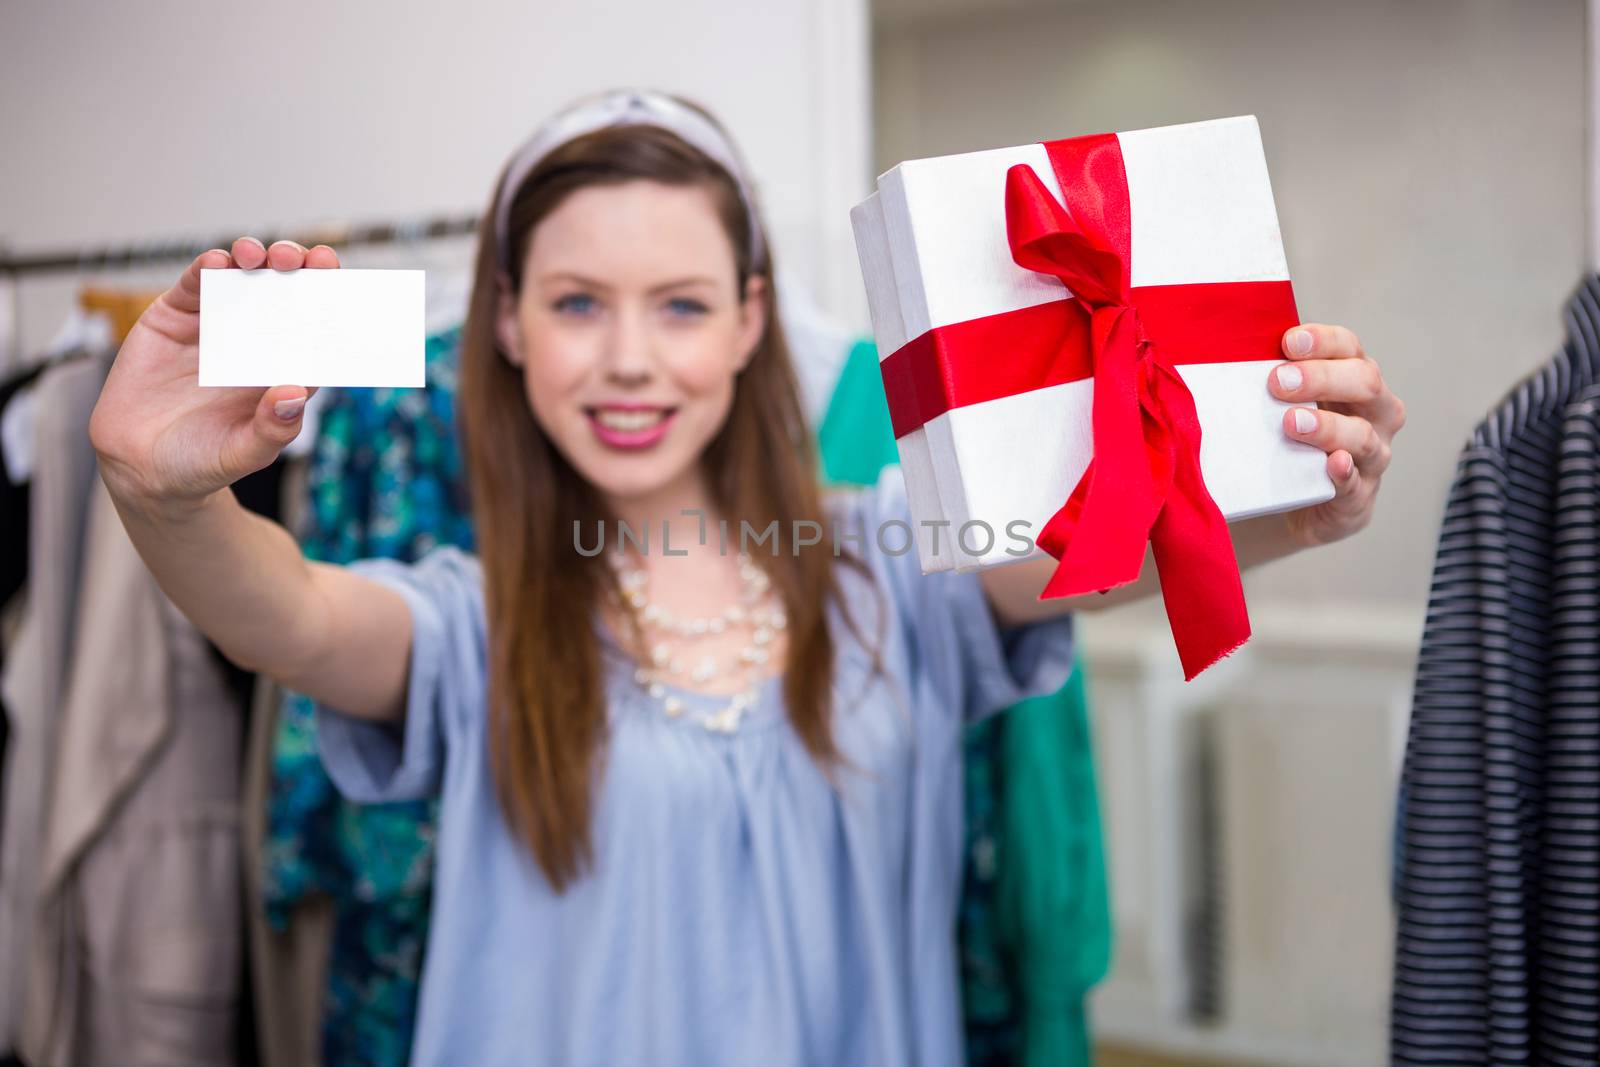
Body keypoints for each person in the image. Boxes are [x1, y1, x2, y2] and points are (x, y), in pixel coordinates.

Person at [88, 90, 1406, 1065]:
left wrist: (1298, 493)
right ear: (504, 323)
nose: (627, 361)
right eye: (574, 303)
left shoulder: (896, 563)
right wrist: (166, 488)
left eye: (677, 303)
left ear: (751, 321)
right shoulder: (472, 618)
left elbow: (1104, 554)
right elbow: (291, 616)